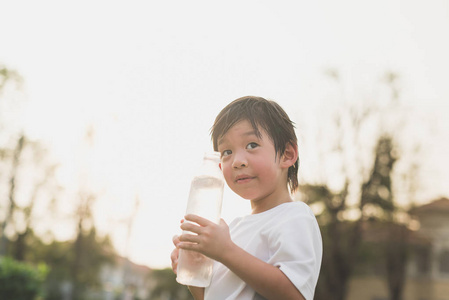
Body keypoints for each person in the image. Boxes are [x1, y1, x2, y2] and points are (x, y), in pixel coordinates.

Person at [171, 96, 322, 300]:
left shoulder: (294, 216)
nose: (237, 161)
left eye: (251, 145)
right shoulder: (232, 231)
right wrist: (193, 270)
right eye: (227, 151)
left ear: (287, 154)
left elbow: (294, 294)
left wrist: (225, 251)